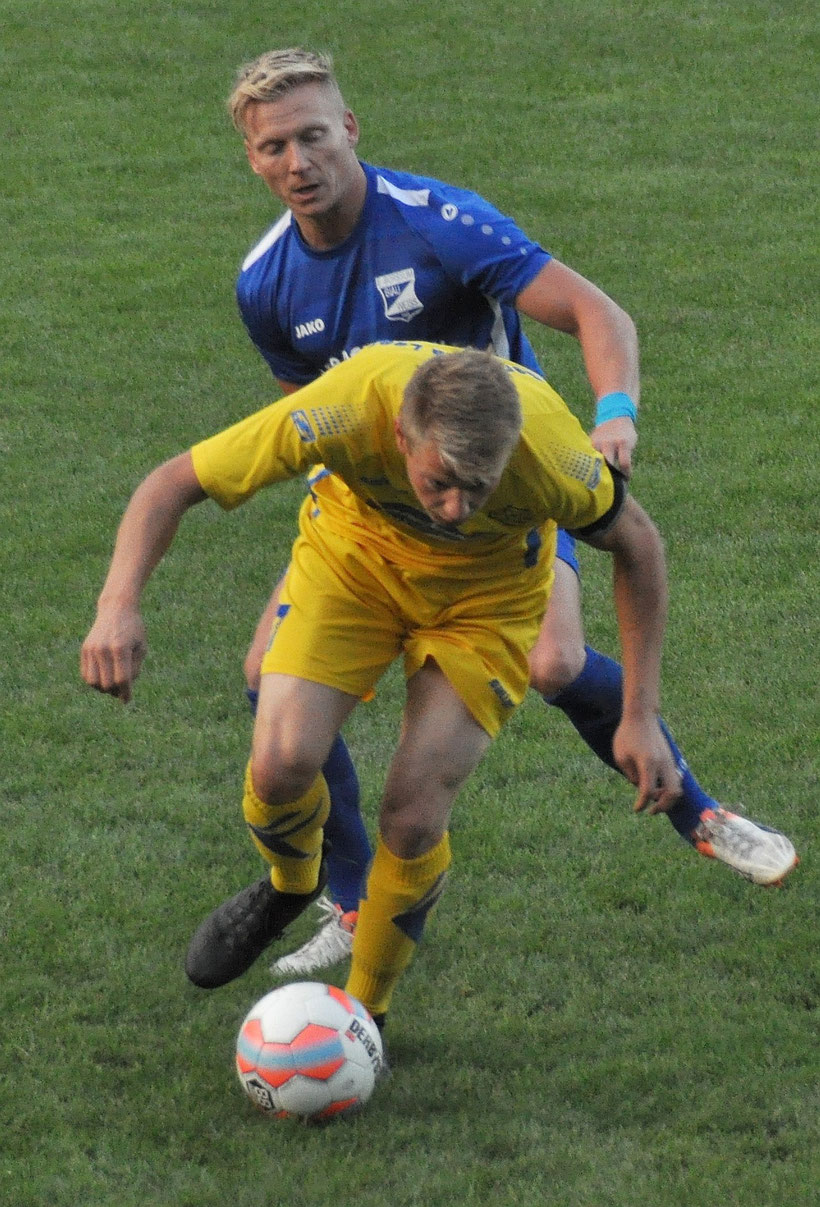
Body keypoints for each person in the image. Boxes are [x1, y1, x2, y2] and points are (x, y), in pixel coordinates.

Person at [217, 46, 797, 977]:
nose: (300, 161)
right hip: (373, 507)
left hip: (494, 489)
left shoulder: (438, 227)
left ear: (350, 130)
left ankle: (698, 808)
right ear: (252, 156)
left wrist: (614, 421)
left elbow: (597, 315)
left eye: (315, 135)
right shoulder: (266, 283)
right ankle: (353, 896)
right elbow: (308, 420)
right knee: (262, 680)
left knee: (557, 659)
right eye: (277, 145)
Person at [82, 340, 689, 1030]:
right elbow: (172, 482)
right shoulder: (341, 408)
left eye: (478, 488)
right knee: (281, 764)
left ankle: (363, 1018)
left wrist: (638, 714)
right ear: (401, 433)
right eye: (438, 483)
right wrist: (117, 605)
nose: (457, 508)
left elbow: (640, 545)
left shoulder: (552, 455)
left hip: (485, 603)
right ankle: (290, 884)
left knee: (414, 812)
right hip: (354, 567)